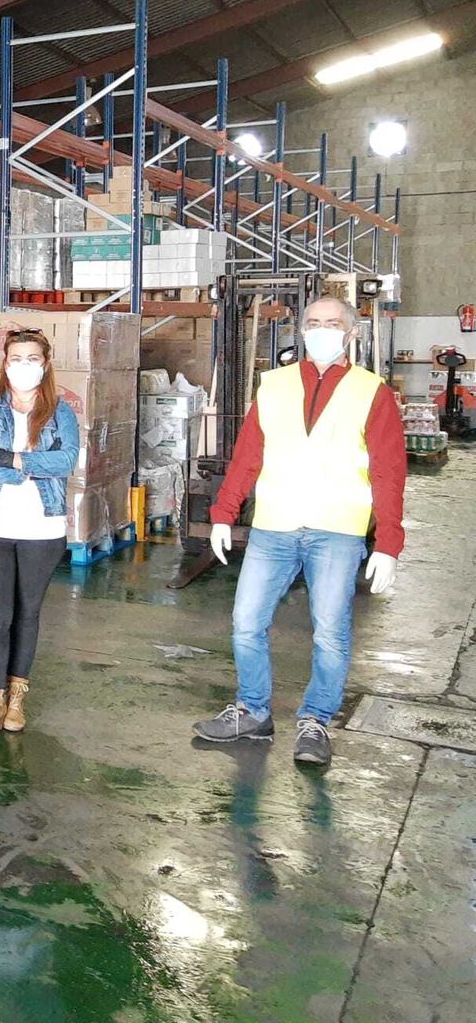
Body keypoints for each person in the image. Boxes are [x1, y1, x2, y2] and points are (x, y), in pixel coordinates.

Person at [193, 296, 405, 767]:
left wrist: (389, 541)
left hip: (338, 530)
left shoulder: (373, 392)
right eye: (313, 323)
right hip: (274, 527)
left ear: (350, 333)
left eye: (332, 323)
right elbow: (248, 454)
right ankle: (252, 710)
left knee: (330, 633)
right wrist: (224, 512)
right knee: (246, 623)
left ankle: (315, 721)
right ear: (300, 330)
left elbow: (390, 470)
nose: (321, 330)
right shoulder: (274, 385)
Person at [0, 328, 78, 741]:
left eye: (32, 358)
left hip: (42, 525)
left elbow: (66, 461)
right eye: (16, 358)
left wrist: (10, 456)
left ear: (45, 363)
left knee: (27, 613)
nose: (23, 366)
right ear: (4, 363)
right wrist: (32, 463)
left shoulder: (61, 411)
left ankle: (17, 696)